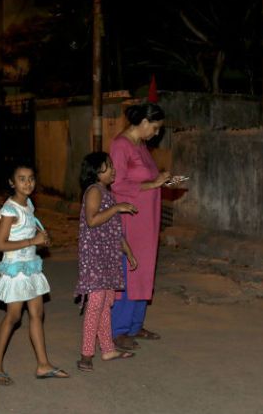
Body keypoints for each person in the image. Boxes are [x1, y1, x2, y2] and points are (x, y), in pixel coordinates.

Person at [0, 164, 69, 386]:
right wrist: (33, 241)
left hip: (31, 267)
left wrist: (42, 239)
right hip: (16, 269)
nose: (28, 183)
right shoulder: (10, 210)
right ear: (12, 183)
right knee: (13, 317)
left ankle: (43, 364)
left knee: (37, 314)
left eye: (31, 178)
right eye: (22, 179)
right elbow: (1, 244)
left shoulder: (29, 205)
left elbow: (29, 231)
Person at [109, 102, 172, 351]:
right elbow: (117, 185)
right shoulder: (120, 145)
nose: (156, 133)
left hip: (148, 219)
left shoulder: (141, 146)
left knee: (144, 269)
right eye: (155, 128)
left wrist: (162, 181)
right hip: (131, 217)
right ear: (144, 122)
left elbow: (147, 179)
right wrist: (152, 185)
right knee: (129, 269)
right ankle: (119, 329)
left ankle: (135, 324)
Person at [75, 152, 139, 372]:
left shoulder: (107, 193)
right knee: (95, 305)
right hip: (95, 259)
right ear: (95, 172)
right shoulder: (94, 190)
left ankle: (108, 349)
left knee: (105, 305)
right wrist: (116, 207)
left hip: (108, 257)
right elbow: (92, 220)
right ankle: (86, 354)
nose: (113, 170)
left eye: (112, 165)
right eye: (108, 166)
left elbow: (115, 231)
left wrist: (128, 252)